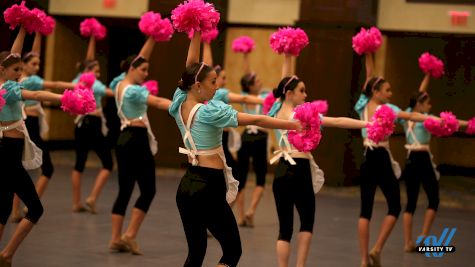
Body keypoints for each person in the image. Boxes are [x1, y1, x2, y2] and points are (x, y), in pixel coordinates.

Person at [169, 31, 300, 267]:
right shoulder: (210, 111)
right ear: (197, 85)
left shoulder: (179, 101)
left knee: (195, 254)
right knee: (232, 251)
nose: (216, 88)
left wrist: (197, 31)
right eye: (212, 83)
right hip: (209, 186)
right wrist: (292, 124)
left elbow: (189, 66)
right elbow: (257, 120)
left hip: (187, 185)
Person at [268, 53, 368, 267]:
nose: (306, 94)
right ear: (290, 93)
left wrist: (287, 54)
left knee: (284, 229)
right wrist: (367, 125)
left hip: (281, 171)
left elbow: (284, 80)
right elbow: (338, 121)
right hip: (300, 169)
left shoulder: (276, 110)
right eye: (302, 90)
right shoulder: (305, 115)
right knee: (306, 223)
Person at [355, 52, 439, 267]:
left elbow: (369, 75)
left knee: (365, 210)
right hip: (381, 157)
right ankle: (377, 248)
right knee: (394, 207)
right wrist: (439, 120)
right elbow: (412, 115)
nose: (391, 94)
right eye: (387, 90)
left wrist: (368, 52)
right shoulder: (388, 109)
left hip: (367, 158)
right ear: (376, 92)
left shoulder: (363, 105)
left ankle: (364, 260)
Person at [0, 26, 70, 267]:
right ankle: (7, 254)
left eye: (21, 69)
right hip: (8, 152)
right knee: (36, 209)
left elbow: (14, 54)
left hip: (6, 149)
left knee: (3, 207)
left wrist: (21, 28)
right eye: (16, 70)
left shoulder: (1, 82)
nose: (20, 73)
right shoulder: (9, 89)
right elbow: (38, 94)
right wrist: (66, 99)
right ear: (3, 70)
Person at [109, 34, 171, 255]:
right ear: (133, 69)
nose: (146, 74)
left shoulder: (119, 84)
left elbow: (139, 58)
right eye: (143, 70)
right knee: (148, 190)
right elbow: (157, 101)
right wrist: (183, 107)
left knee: (124, 190)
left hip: (123, 139)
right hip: (136, 140)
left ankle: (116, 239)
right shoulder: (135, 90)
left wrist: (152, 38)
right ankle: (130, 235)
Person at [10, 30, 76, 221]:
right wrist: (75, 87)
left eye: (39, 64)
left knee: (20, 170)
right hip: (28, 125)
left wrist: (38, 32)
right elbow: (54, 83)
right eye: (34, 64)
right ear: (22, 65)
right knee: (44, 169)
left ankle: (18, 210)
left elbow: (34, 53)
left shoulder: (19, 80)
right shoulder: (31, 80)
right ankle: (27, 206)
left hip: (27, 124)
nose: (38, 66)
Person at [401, 73, 468, 252]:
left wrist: (428, 74)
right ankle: (422, 236)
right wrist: (469, 124)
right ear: (420, 105)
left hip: (410, 160)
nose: (430, 106)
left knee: (411, 203)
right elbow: (449, 122)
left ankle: (408, 242)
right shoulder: (427, 120)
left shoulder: (407, 115)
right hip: (422, 160)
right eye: (428, 103)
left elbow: (420, 93)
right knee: (433, 199)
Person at [71, 32, 114, 213]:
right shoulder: (94, 84)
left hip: (80, 125)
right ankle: (92, 197)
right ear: (89, 72)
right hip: (93, 124)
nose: (98, 74)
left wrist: (92, 39)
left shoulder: (77, 80)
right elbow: (111, 93)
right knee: (108, 164)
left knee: (79, 163)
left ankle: (76, 202)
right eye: (96, 71)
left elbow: (88, 60)